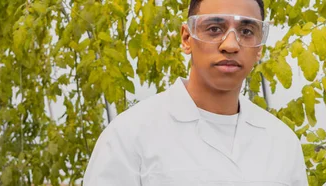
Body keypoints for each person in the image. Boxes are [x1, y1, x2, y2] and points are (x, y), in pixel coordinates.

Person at [84, 0, 312, 185]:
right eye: (214, 29)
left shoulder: (282, 142)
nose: (230, 45)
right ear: (186, 38)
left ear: (259, 47)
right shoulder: (129, 136)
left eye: (246, 31)